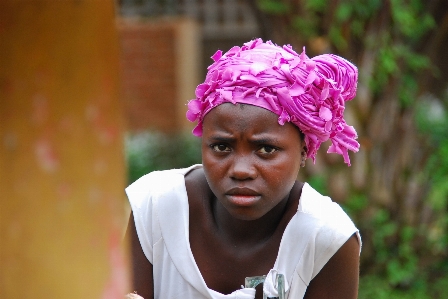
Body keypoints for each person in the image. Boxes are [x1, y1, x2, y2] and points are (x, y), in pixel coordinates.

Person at [125, 38, 361, 299]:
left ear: (304, 150)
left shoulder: (326, 238)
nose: (241, 170)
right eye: (221, 147)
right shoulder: (155, 208)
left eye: (266, 150)